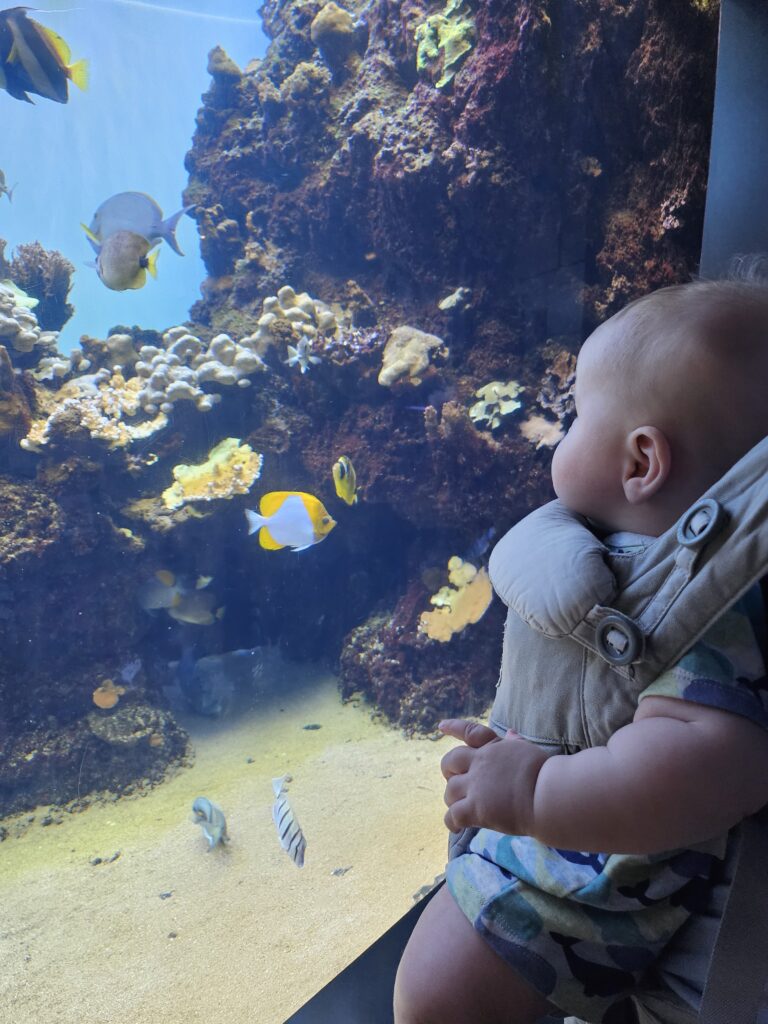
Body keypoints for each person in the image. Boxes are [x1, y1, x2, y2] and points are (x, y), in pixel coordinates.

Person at [394, 272, 768, 1024]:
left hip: (587, 890)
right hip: (558, 838)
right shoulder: (630, 561)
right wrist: (517, 745)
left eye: (574, 418)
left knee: (433, 1000)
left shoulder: (703, 612)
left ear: (640, 464)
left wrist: (533, 793)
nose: (561, 435)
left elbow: (717, 764)